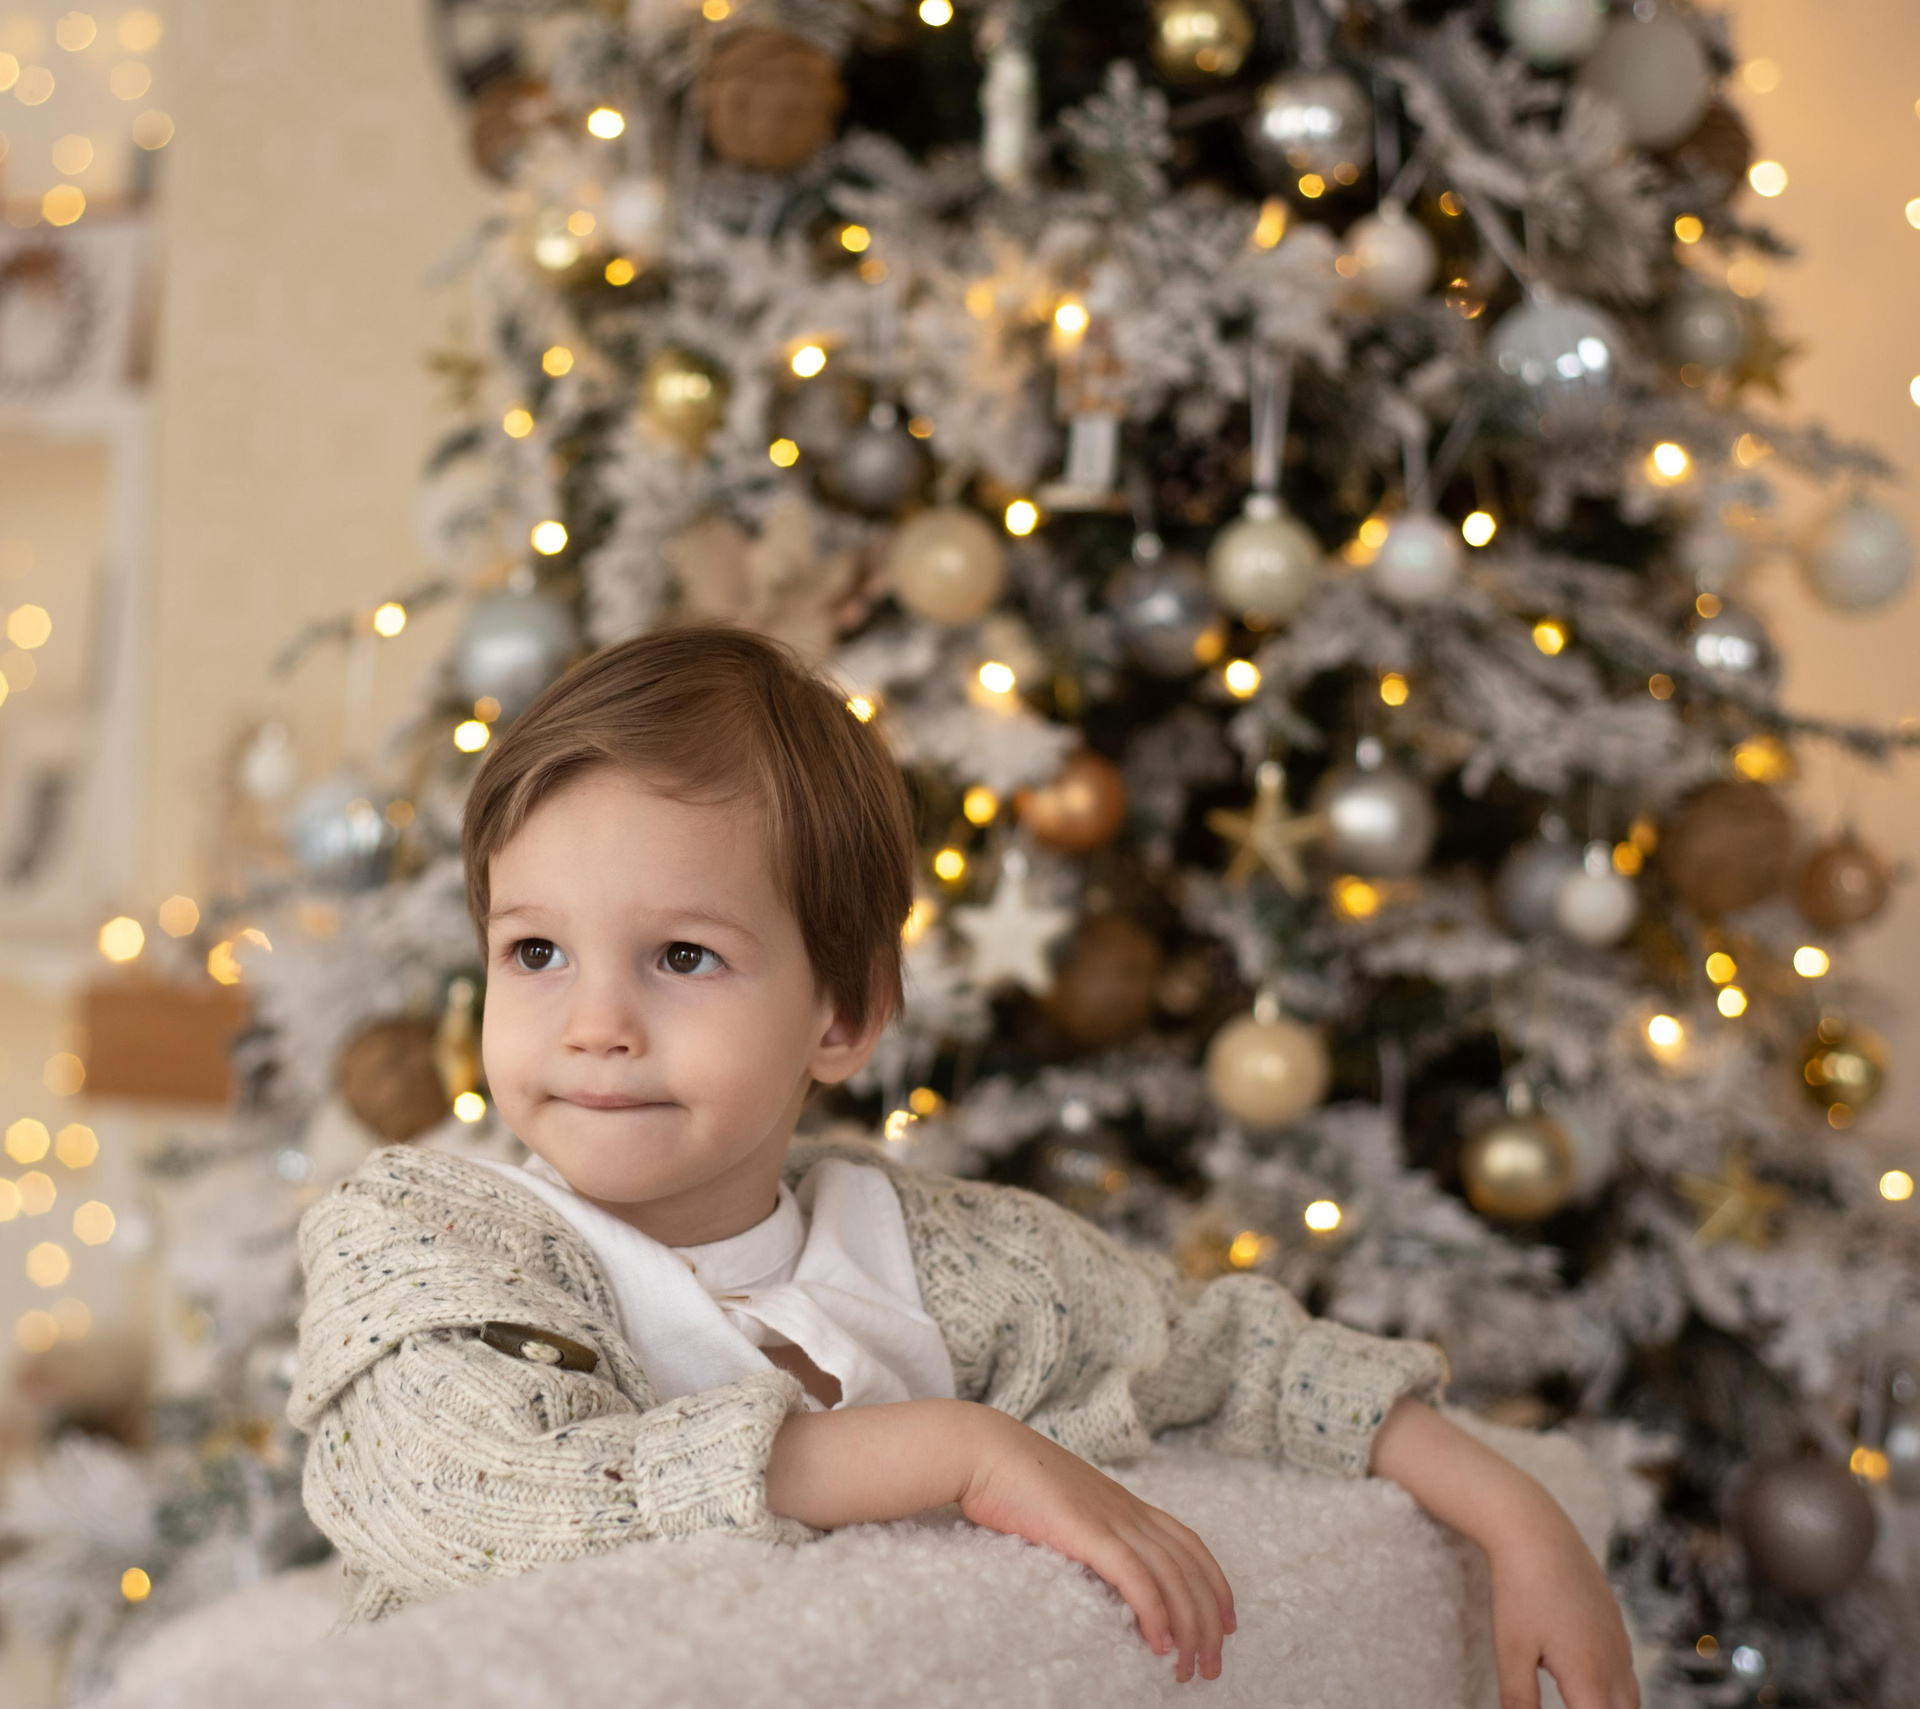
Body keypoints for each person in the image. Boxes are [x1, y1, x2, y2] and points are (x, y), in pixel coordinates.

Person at [287, 624, 1637, 1706]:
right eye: (536, 951)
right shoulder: (420, 1239)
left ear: (845, 1014)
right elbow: (479, 1501)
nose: (594, 1021)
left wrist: (1519, 1516)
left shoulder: (957, 1261)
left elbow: (1234, 1359)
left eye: (682, 955)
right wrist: (955, 1449)